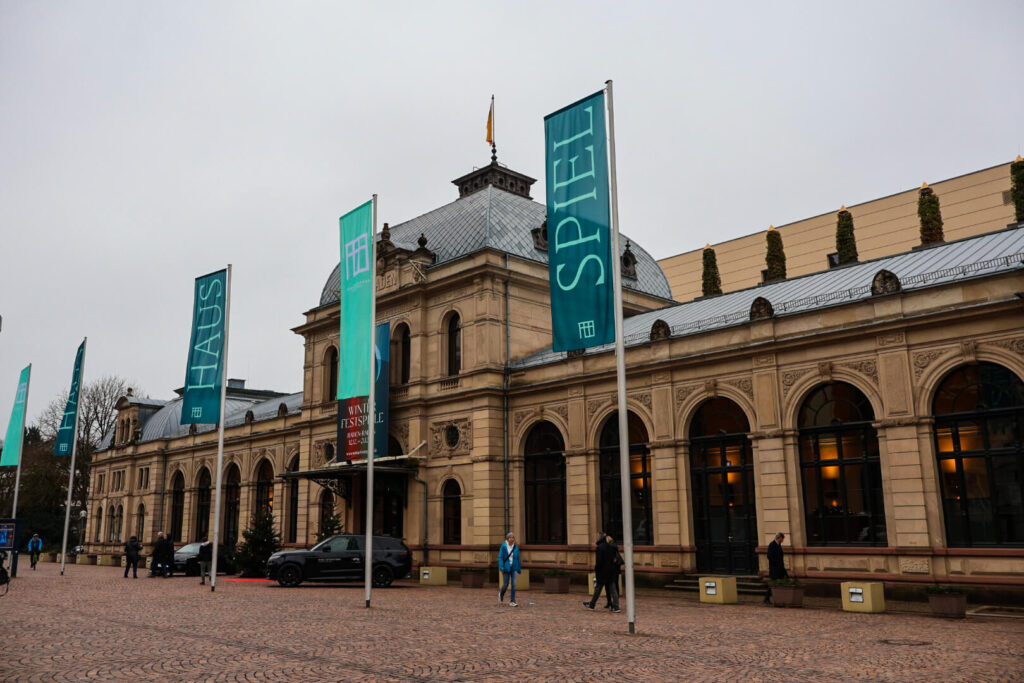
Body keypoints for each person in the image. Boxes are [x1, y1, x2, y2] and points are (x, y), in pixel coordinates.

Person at [583, 532, 620, 613]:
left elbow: (599, 561)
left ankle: (592, 605)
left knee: (598, 589)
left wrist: (597, 569)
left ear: (600, 538)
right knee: (613, 589)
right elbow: (614, 559)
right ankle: (616, 606)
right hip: (611, 571)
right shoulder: (611, 546)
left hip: (602, 571)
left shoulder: (600, 547)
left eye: (597, 537)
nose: (596, 538)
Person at [497, 532, 521, 607]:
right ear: (507, 538)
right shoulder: (504, 546)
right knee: (506, 584)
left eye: (513, 537)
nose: (512, 539)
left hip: (514, 567)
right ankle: (501, 594)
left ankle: (512, 601)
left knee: (513, 584)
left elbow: (518, 559)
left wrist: (519, 568)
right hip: (506, 568)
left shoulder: (516, 547)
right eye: (510, 537)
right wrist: (501, 567)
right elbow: (500, 557)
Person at [764, 532, 788, 605]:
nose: (783, 540)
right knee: (773, 583)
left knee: (785, 580)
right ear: (779, 538)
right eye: (782, 538)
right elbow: (769, 556)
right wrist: (776, 563)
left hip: (780, 568)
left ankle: (781, 598)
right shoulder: (772, 545)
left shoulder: (778, 545)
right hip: (775, 568)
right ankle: (767, 598)